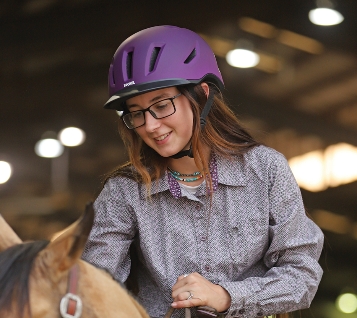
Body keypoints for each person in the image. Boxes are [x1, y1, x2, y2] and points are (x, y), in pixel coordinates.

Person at [82, 25, 324, 318]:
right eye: (137, 112)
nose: (149, 125)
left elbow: (302, 275)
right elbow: (94, 284)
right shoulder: (125, 191)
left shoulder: (266, 170)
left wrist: (225, 297)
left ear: (201, 94)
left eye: (161, 105)